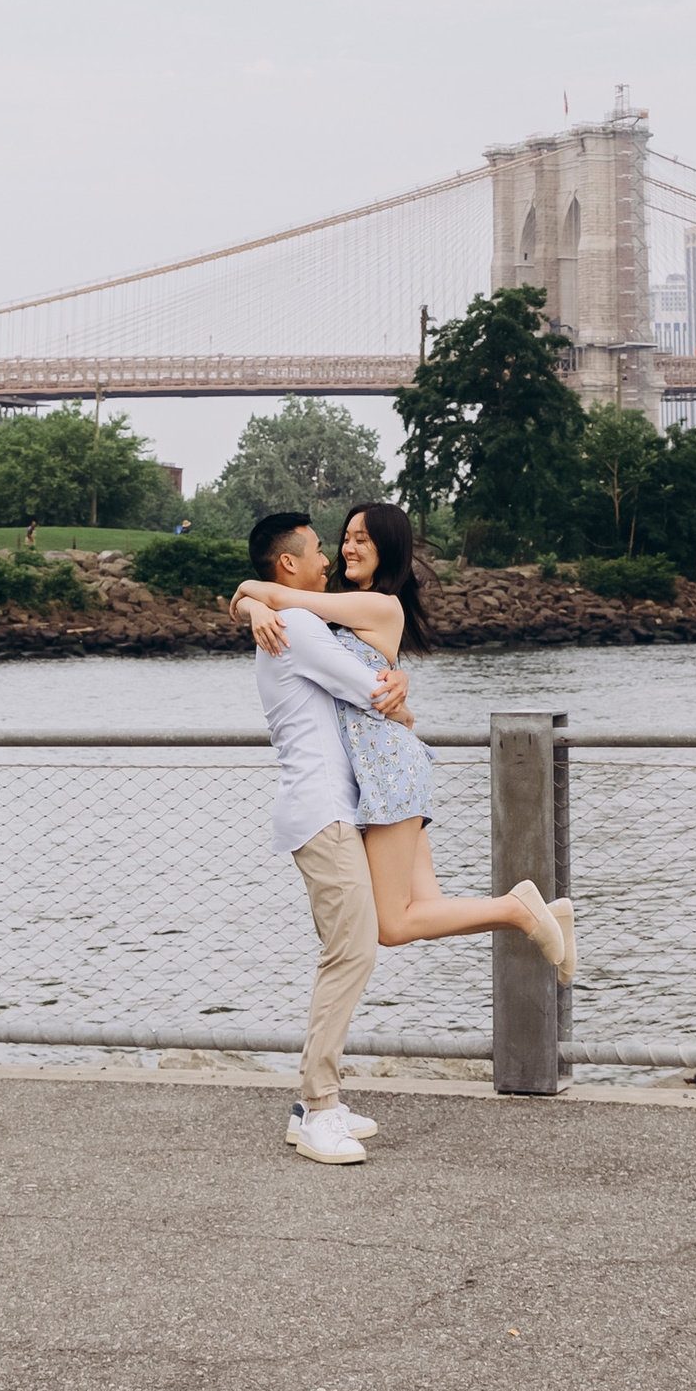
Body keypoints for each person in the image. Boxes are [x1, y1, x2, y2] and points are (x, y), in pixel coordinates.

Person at [236, 500, 576, 999]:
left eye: (363, 540)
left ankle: (519, 909)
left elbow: (271, 592)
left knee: (392, 925)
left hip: (389, 769)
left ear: (387, 550)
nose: (347, 547)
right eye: (346, 537)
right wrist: (253, 607)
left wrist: (251, 599)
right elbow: (279, 601)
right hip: (387, 767)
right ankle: (540, 912)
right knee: (419, 911)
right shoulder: (339, 608)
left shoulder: (380, 604)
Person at [242, 505, 418, 1166]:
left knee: (349, 948)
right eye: (318, 550)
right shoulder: (300, 625)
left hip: (322, 809)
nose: (327, 560)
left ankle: (318, 1105)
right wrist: (395, 686)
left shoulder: (286, 618)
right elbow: (375, 691)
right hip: (320, 812)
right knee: (351, 952)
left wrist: (250, 600)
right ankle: (317, 1108)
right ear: (288, 564)